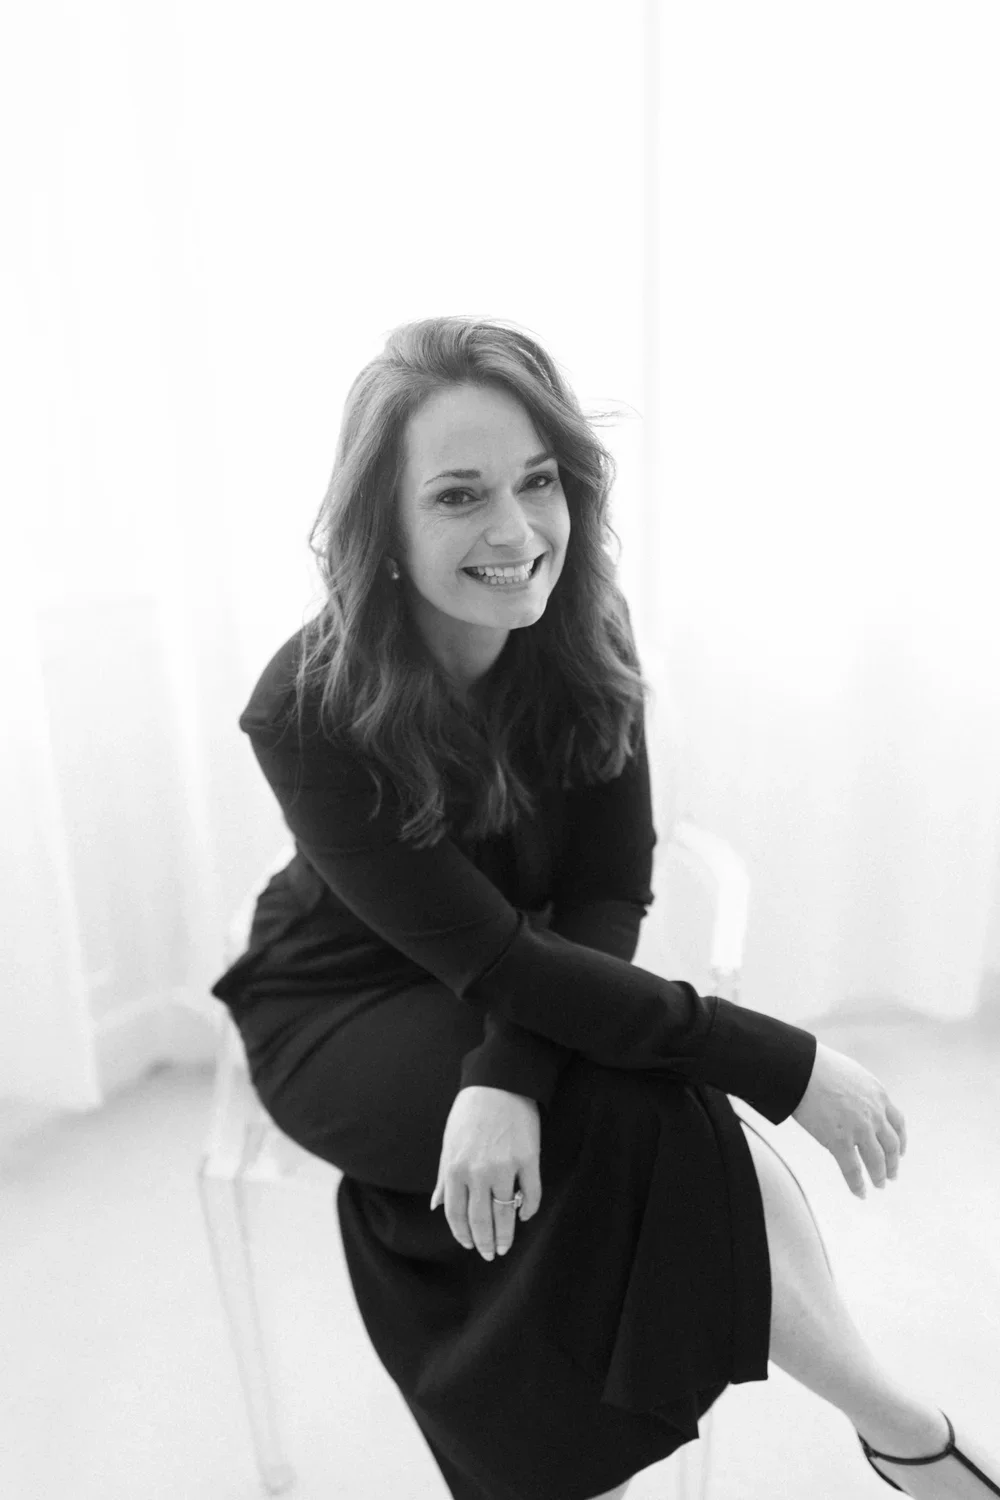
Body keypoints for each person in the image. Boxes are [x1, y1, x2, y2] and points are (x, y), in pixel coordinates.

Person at [211, 315, 999, 1500]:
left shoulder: (580, 623)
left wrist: (505, 1073)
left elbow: (601, 890)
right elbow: (491, 953)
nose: (516, 531)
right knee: (647, 1101)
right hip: (345, 999)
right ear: (382, 527)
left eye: (538, 482)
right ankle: (907, 1436)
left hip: (517, 967)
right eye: (460, 496)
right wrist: (785, 1066)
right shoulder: (309, 705)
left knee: (640, 1109)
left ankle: (891, 1431)